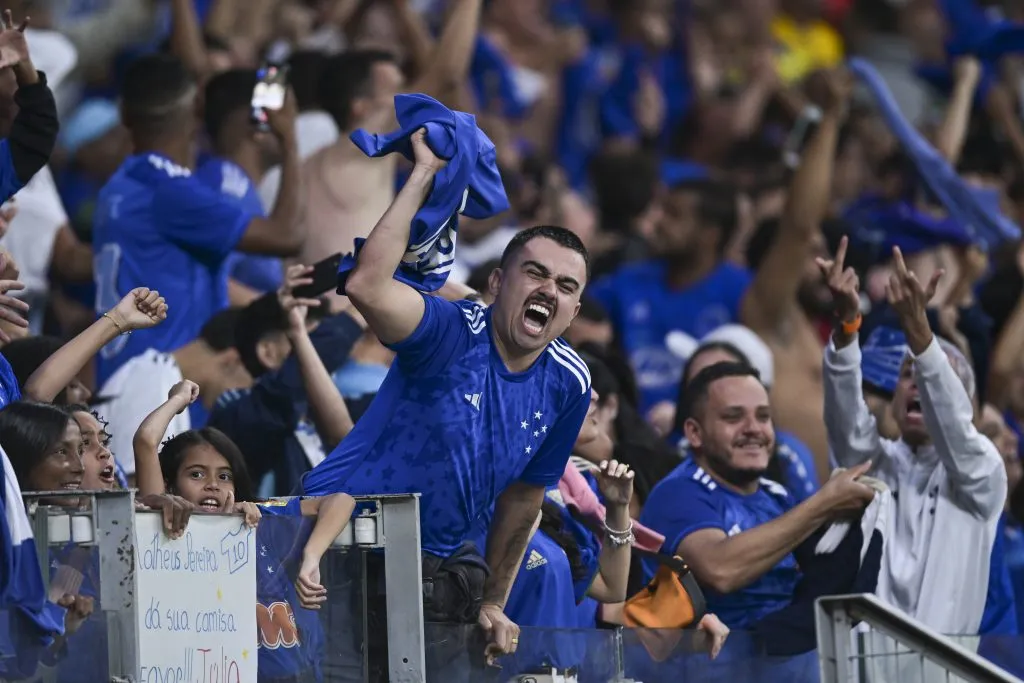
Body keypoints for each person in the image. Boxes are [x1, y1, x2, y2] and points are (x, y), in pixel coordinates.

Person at [302, 130, 592, 658]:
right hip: (336, 543)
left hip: (433, 574)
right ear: (498, 283)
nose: (549, 290)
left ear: (574, 312)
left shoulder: (570, 384)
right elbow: (367, 286)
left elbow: (527, 497)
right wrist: (423, 175)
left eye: (566, 287)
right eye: (536, 273)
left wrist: (492, 604)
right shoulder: (451, 329)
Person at [820, 238, 1006, 633]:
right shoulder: (878, 463)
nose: (918, 382)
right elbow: (846, 424)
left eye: (930, 375)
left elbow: (954, 425)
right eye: (908, 375)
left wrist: (921, 332)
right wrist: (848, 326)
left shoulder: (984, 472)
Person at [92, 52, 303, 385]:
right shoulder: (172, 193)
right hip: (161, 382)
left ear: (123, 114)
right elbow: (287, 236)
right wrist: (289, 138)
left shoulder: (119, 185)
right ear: (196, 111)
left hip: (124, 372)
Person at [132, 391, 356, 683]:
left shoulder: (258, 519)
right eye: (197, 474)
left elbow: (341, 500)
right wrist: (178, 399)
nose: (213, 485)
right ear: (171, 486)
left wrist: (311, 556)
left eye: (224, 476)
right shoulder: (166, 526)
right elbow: (146, 442)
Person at [640, 361, 875, 630]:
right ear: (695, 433)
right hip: (701, 669)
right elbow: (720, 570)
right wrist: (824, 504)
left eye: (763, 417)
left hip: (786, 667)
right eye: (733, 417)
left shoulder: (777, 497)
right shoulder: (678, 493)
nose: (754, 428)